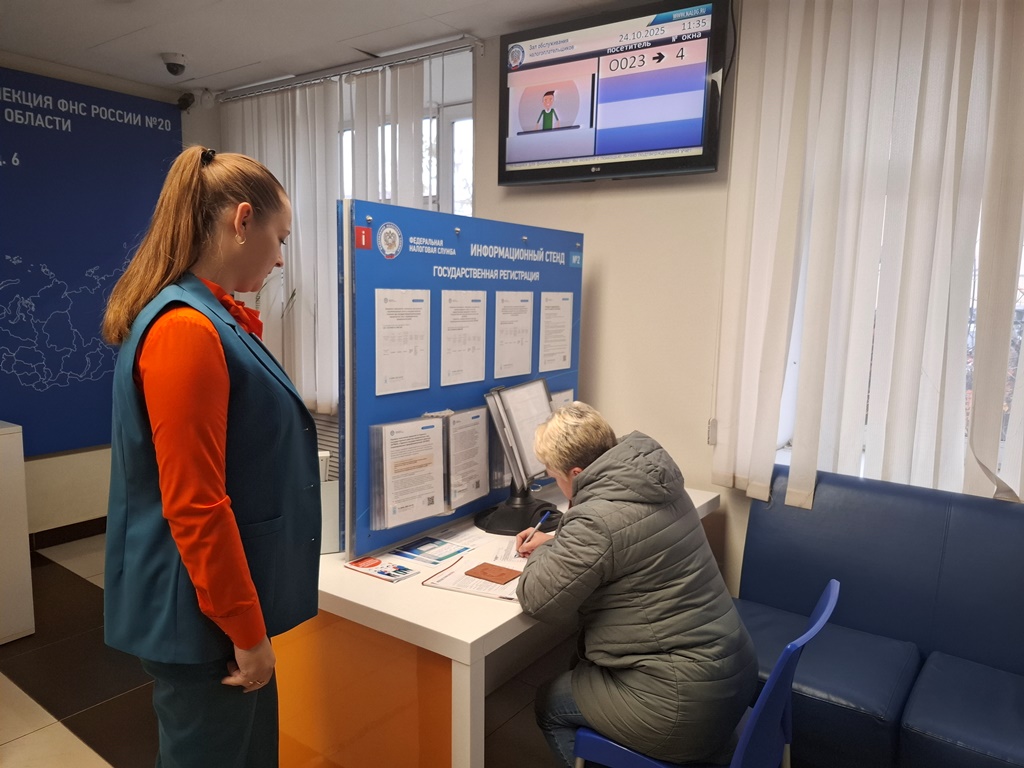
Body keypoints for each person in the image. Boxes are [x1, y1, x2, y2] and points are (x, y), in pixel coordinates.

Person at [101, 145, 321, 768]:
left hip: (218, 611)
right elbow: (195, 503)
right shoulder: (185, 329)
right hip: (204, 621)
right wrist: (246, 632)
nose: (281, 258)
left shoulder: (211, 318)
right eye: (279, 238)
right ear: (242, 220)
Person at [515, 402, 757, 767]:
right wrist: (560, 540)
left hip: (682, 704)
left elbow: (536, 598)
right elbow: (623, 536)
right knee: (577, 665)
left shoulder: (595, 521)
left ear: (576, 473)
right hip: (729, 673)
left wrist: (544, 551)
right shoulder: (653, 478)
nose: (557, 485)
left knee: (549, 703)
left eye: (554, 476)